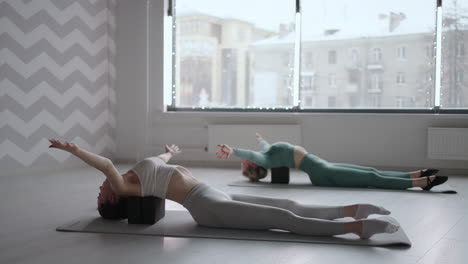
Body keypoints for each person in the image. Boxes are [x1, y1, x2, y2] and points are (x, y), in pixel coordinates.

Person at [49, 139, 400, 239]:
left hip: (213, 192)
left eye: (99, 193)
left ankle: (353, 210)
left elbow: (153, 161)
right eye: (101, 196)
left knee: (290, 201)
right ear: (113, 198)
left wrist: (168, 153)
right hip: (206, 208)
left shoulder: (135, 174)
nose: (100, 190)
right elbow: (107, 166)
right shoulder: (123, 187)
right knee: (282, 217)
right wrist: (75, 151)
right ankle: (358, 229)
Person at [216, 133, 448, 190]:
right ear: (253, 165)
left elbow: (263, 148)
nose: (245, 161)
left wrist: (260, 139)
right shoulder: (265, 160)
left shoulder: (268, 153)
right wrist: (233, 150)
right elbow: (256, 154)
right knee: (371, 178)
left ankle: (415, 174)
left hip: (323, 165)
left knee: (370, 170)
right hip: (322, 173)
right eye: (244, 162)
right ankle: (420, 184)